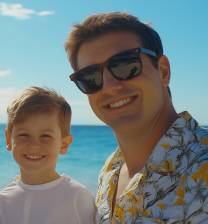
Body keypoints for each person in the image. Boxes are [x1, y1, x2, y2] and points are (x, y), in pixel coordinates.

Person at [64, 12, 208, 223]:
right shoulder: (109, 171)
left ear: (163, 71)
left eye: (125, 64)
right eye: (90, 77)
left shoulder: (202, 166)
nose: (110, 87)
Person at [0, 86, 96, 224]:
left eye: (45, 136)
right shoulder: (0, 202)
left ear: (64, 144)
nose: (33, 144)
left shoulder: (77, 197)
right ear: (9, 140)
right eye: (23, 134)